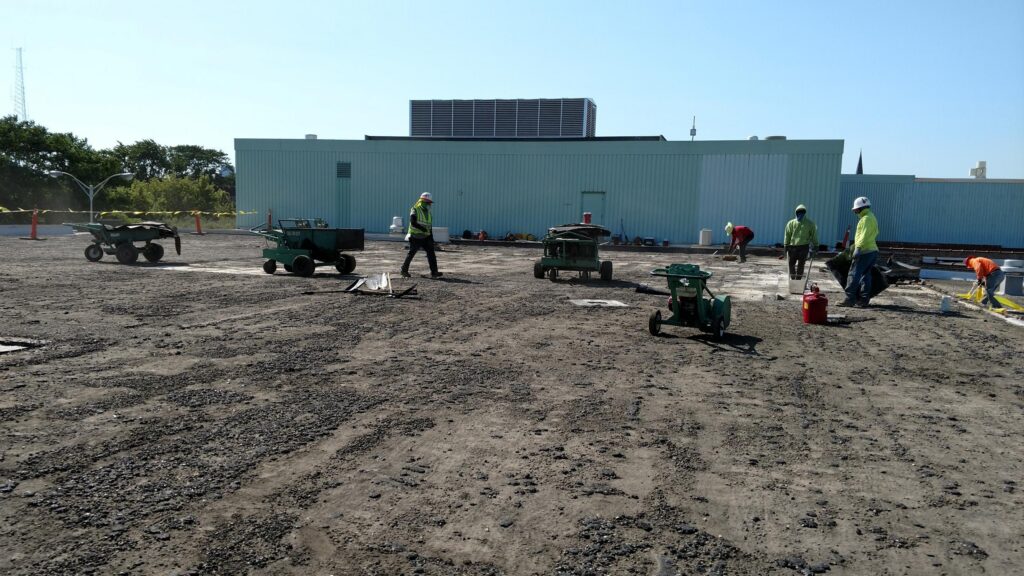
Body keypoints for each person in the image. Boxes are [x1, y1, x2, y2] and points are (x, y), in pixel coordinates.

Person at [839, 196, 879, 307]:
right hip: (872, 251)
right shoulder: (872, 217)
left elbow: (864, 235)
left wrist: (858, 248)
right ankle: (863, 301)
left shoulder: (865, 219)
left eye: (856, 210)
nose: (855, 212)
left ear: (861, 208)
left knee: (854, 274)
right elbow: (875, 233)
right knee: (866, 276)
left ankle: (849, 299)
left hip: (864, 251)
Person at [400, 192, 443, 278]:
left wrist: (432, 239)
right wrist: (423, 229)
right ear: (422, 201)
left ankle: (434, 272)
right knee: (411, 253)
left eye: (430, 203)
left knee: (431, 254)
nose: (429, 205)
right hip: (416, 236)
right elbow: (413, 223)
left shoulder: (428, 213)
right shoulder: (415, 209)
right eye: (428, 203)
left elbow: (429, 227)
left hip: (426, 237)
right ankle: (404, 270)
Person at [783, 204, 819, 279]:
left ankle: (798, 280)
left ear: (804, 213)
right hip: (793, 247)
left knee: (801, 264)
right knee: (791, 264)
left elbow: (814, 235)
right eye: (799, 212)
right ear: (796, 213)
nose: (800, 214)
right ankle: (793, 279)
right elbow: (787, 234)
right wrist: (786, 245)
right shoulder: (791, 223)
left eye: (802, 212)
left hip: (804, 247)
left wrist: (816, 245)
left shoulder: (810, 224)